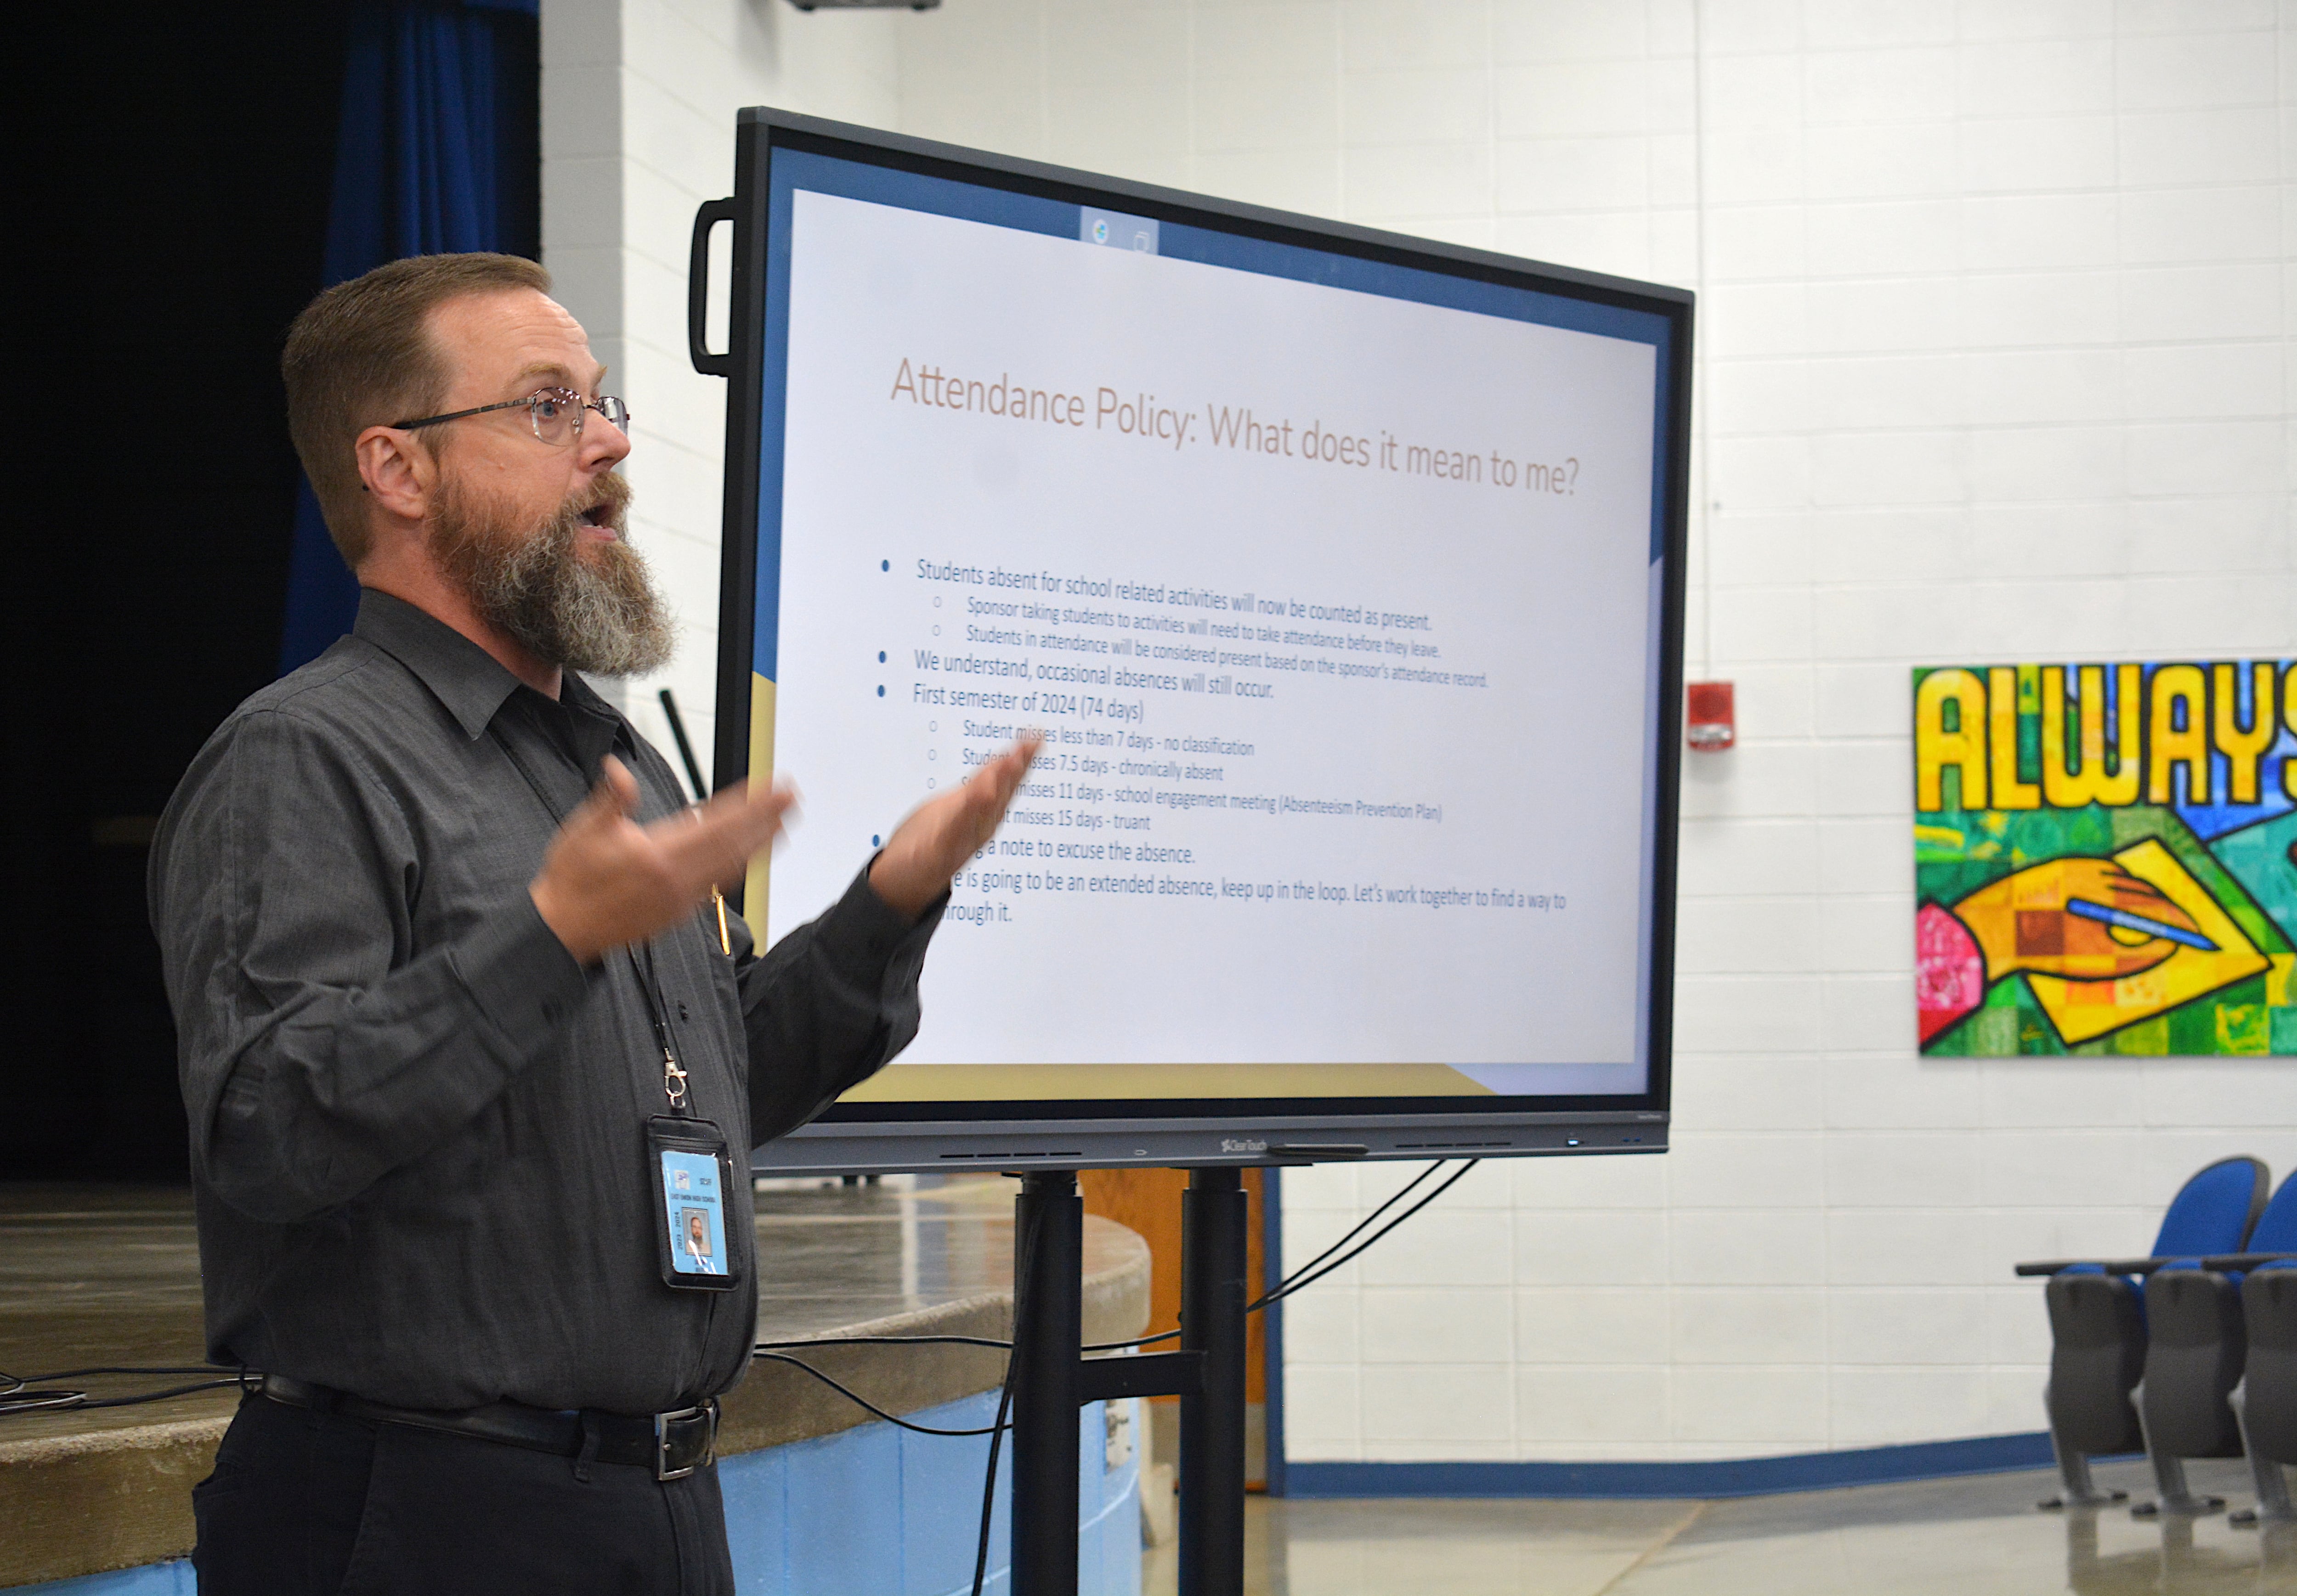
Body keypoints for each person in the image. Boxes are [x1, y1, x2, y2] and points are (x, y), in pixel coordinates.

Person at [147, 252, 1037, 1594]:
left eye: (603, 404)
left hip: (656, 1505)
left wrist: (884, 910)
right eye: (549, 406)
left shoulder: (607, 763)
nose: (611, 442)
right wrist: (549, 936)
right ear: (398, 469)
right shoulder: (303, 758)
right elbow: (269, 1128)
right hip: (421, 1522)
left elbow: (720, 1084)